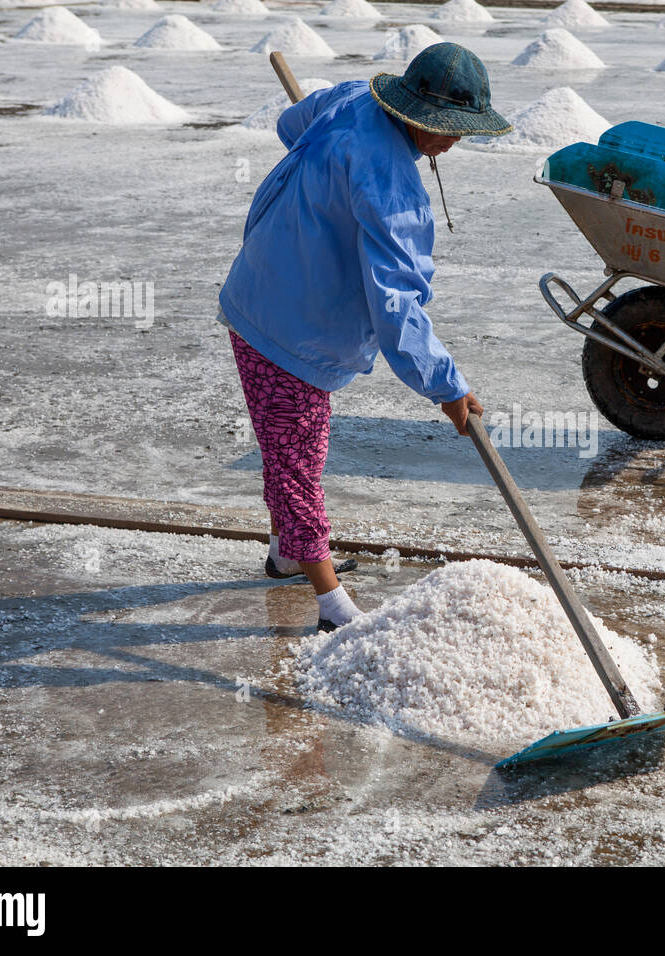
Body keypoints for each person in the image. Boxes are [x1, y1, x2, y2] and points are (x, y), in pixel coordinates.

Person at [216, 43, 512, 633]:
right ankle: (332, 605)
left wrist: (330, 176)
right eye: (448, 131)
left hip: (265, 290)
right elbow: (396, 304)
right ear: (418, 116)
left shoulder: (354, 96)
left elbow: (289, 123)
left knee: (289, 448)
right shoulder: (389, 181)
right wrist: (446, 387)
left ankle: (285, 554)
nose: (453, 144)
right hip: (288, 327)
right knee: (297, 458)